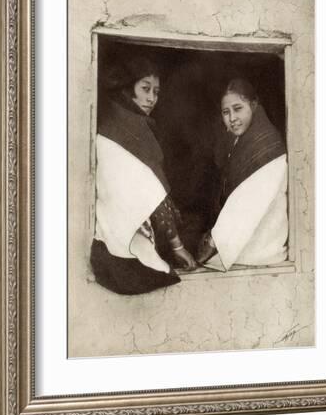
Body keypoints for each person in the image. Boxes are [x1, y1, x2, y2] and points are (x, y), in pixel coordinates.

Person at [91, 56, 196, 295]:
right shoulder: (134, 127)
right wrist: (177, 245)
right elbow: (154, 192)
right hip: (130, 243)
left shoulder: (110, 120)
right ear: (128, 89)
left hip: (109, 240)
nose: (152, 98)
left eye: (156, 92)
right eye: (145, 89)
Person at [197, 78, 288, 270]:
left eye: (238, 109)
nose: (232, 118)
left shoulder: (266, 144)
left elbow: (247, 203)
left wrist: (213, 242)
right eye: (225, 112)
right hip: (243, 240)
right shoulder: (237, 142)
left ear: (253, 106)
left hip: (261, 249)